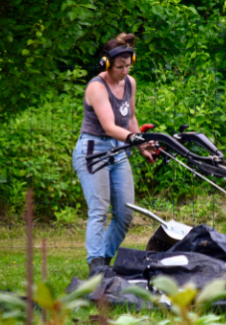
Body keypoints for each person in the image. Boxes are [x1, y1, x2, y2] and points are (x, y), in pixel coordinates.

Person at [72, 33, 155, 273]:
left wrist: (141, 146)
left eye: (128, 66)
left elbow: (130, 118)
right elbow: (109, 126)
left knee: (125, 213)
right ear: (107, 64)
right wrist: (134, 138)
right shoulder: (97, 88)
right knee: (99, 210)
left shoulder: (130, 83)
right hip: (92, 150)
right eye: (120, 67)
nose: (125, 71)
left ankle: (106, 262)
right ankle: (95, 266)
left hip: (118, 150)